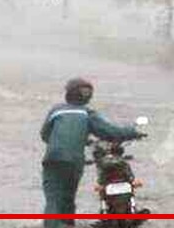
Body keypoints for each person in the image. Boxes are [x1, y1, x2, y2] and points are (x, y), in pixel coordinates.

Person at [39, 77, 145, 228]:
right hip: (74, 161)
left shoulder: (56, 111)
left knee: (53, 198)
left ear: (68, 93)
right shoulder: (86, 113)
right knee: (68, 197)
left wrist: (73, 140)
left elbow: (44, 135)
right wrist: (133, 132)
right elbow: (110, 132)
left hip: (52, 159)